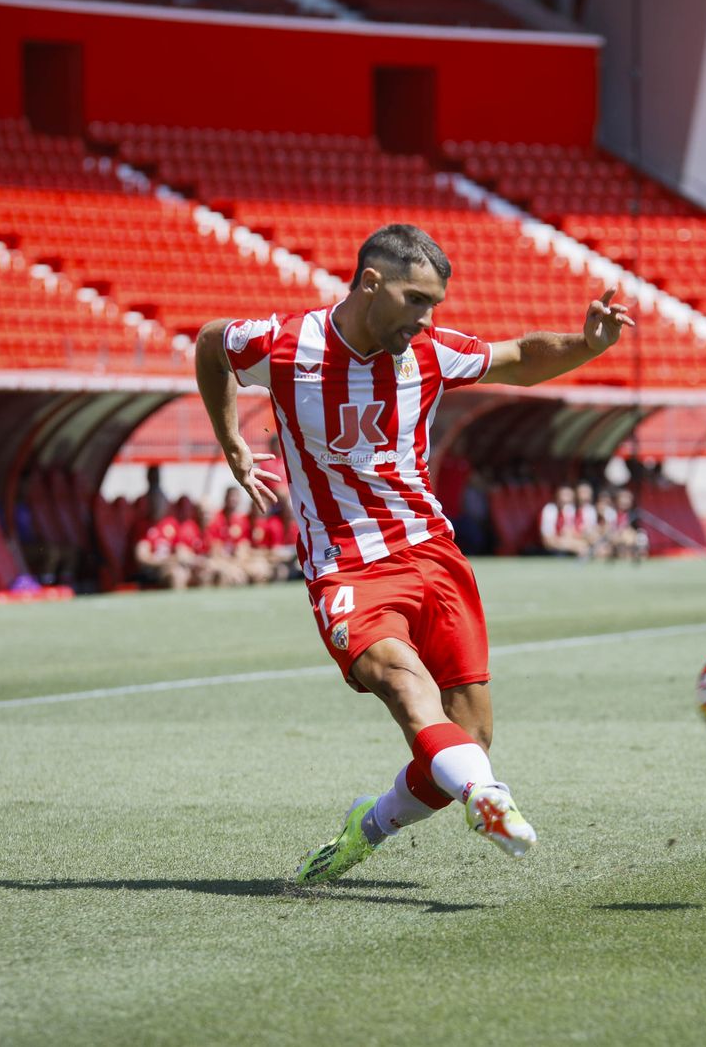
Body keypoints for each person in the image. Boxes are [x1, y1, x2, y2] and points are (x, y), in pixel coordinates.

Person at [195, 222, 633, 883]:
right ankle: (486, 797)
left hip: (431, 555)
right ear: (371, 282)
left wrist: (588, 344)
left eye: (435, 304)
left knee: (471, 737)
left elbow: (519, 359)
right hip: (345, 565)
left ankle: (366, 827)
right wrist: (232, 443)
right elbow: (211, 344)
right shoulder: (287, 345)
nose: (426, 318)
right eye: (415, 299)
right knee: (402, 682)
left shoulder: (428, 353)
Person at [538, 484, 588, 557]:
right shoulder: (550, 510)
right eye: (564, 496)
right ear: (557, 497)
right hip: (549, 552)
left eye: (569, 497)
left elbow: (574, 535)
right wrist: (575, 546)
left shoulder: (571, 511)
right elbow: (547, 542)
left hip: (566, 549)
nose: (566, 500)